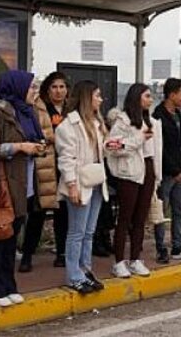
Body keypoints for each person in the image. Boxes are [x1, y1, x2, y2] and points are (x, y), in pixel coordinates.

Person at [0, 70, 45, 307]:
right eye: (31, 87)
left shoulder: (27, 113)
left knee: (11, 237)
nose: (34, 92)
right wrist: (19, 147)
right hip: (1, 186)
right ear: (17, 88)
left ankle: (8, 284)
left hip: (22, 186)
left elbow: (34, 140)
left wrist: (36, 147)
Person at [55, 80, 111, 293]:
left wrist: (111, 146)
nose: (100, 99)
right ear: (87, 98)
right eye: (97, 95)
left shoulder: (96, 123)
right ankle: (73, 275)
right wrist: (71, 186)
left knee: (89, 231)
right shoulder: (68, 126)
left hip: (95, 181)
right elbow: (66, 159)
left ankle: (85, 269)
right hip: (79, 183)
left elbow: (99, 151)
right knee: (76, 232)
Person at [105, 83, 160, 278]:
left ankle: (135, 258)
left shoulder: (151, 120)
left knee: (140, 218)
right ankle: (119, 261)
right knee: (125, 218)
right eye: (146, 96)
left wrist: (157, 175)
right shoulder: (123, 120)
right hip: (129, 173)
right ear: (137, 97)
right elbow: (111, 146)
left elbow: (155, 151)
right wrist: (138, 139)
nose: (150, 100)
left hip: (148, 170)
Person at [19, 72, 67, 272]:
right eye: (54, 87)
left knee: (62, 212)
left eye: (62, 87)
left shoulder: (70, 109)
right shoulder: (38, 107)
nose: (58, 91)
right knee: (37, 213)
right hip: (44, 165)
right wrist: (56, 137)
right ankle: (28, 254)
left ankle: (62, 253)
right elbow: (37, 131)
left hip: (64, 164)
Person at [152, 78, 181, 263]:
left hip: (178, 171)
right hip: (165, 172)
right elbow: (160, 148)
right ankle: (161, 247)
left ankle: (178, 245)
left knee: (179, 209)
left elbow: (178, 146)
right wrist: (174, 170)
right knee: (161, 211)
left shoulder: (179, 115)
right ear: (171, 95)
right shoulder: (158, 117)